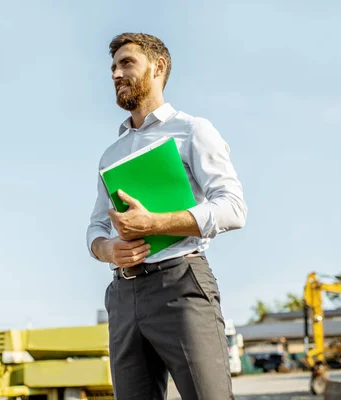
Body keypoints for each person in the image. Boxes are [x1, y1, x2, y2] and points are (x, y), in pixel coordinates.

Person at [85, 32, 247, 400]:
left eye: (127, 63)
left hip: (181, 285)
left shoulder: (192, 130)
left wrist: (155, 223)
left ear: (158, 67)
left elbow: (234, 207)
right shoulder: (111, 154)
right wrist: (107, 249)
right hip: (123, 296)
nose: (115, 73)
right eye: (112, 66)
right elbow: (96, 226)